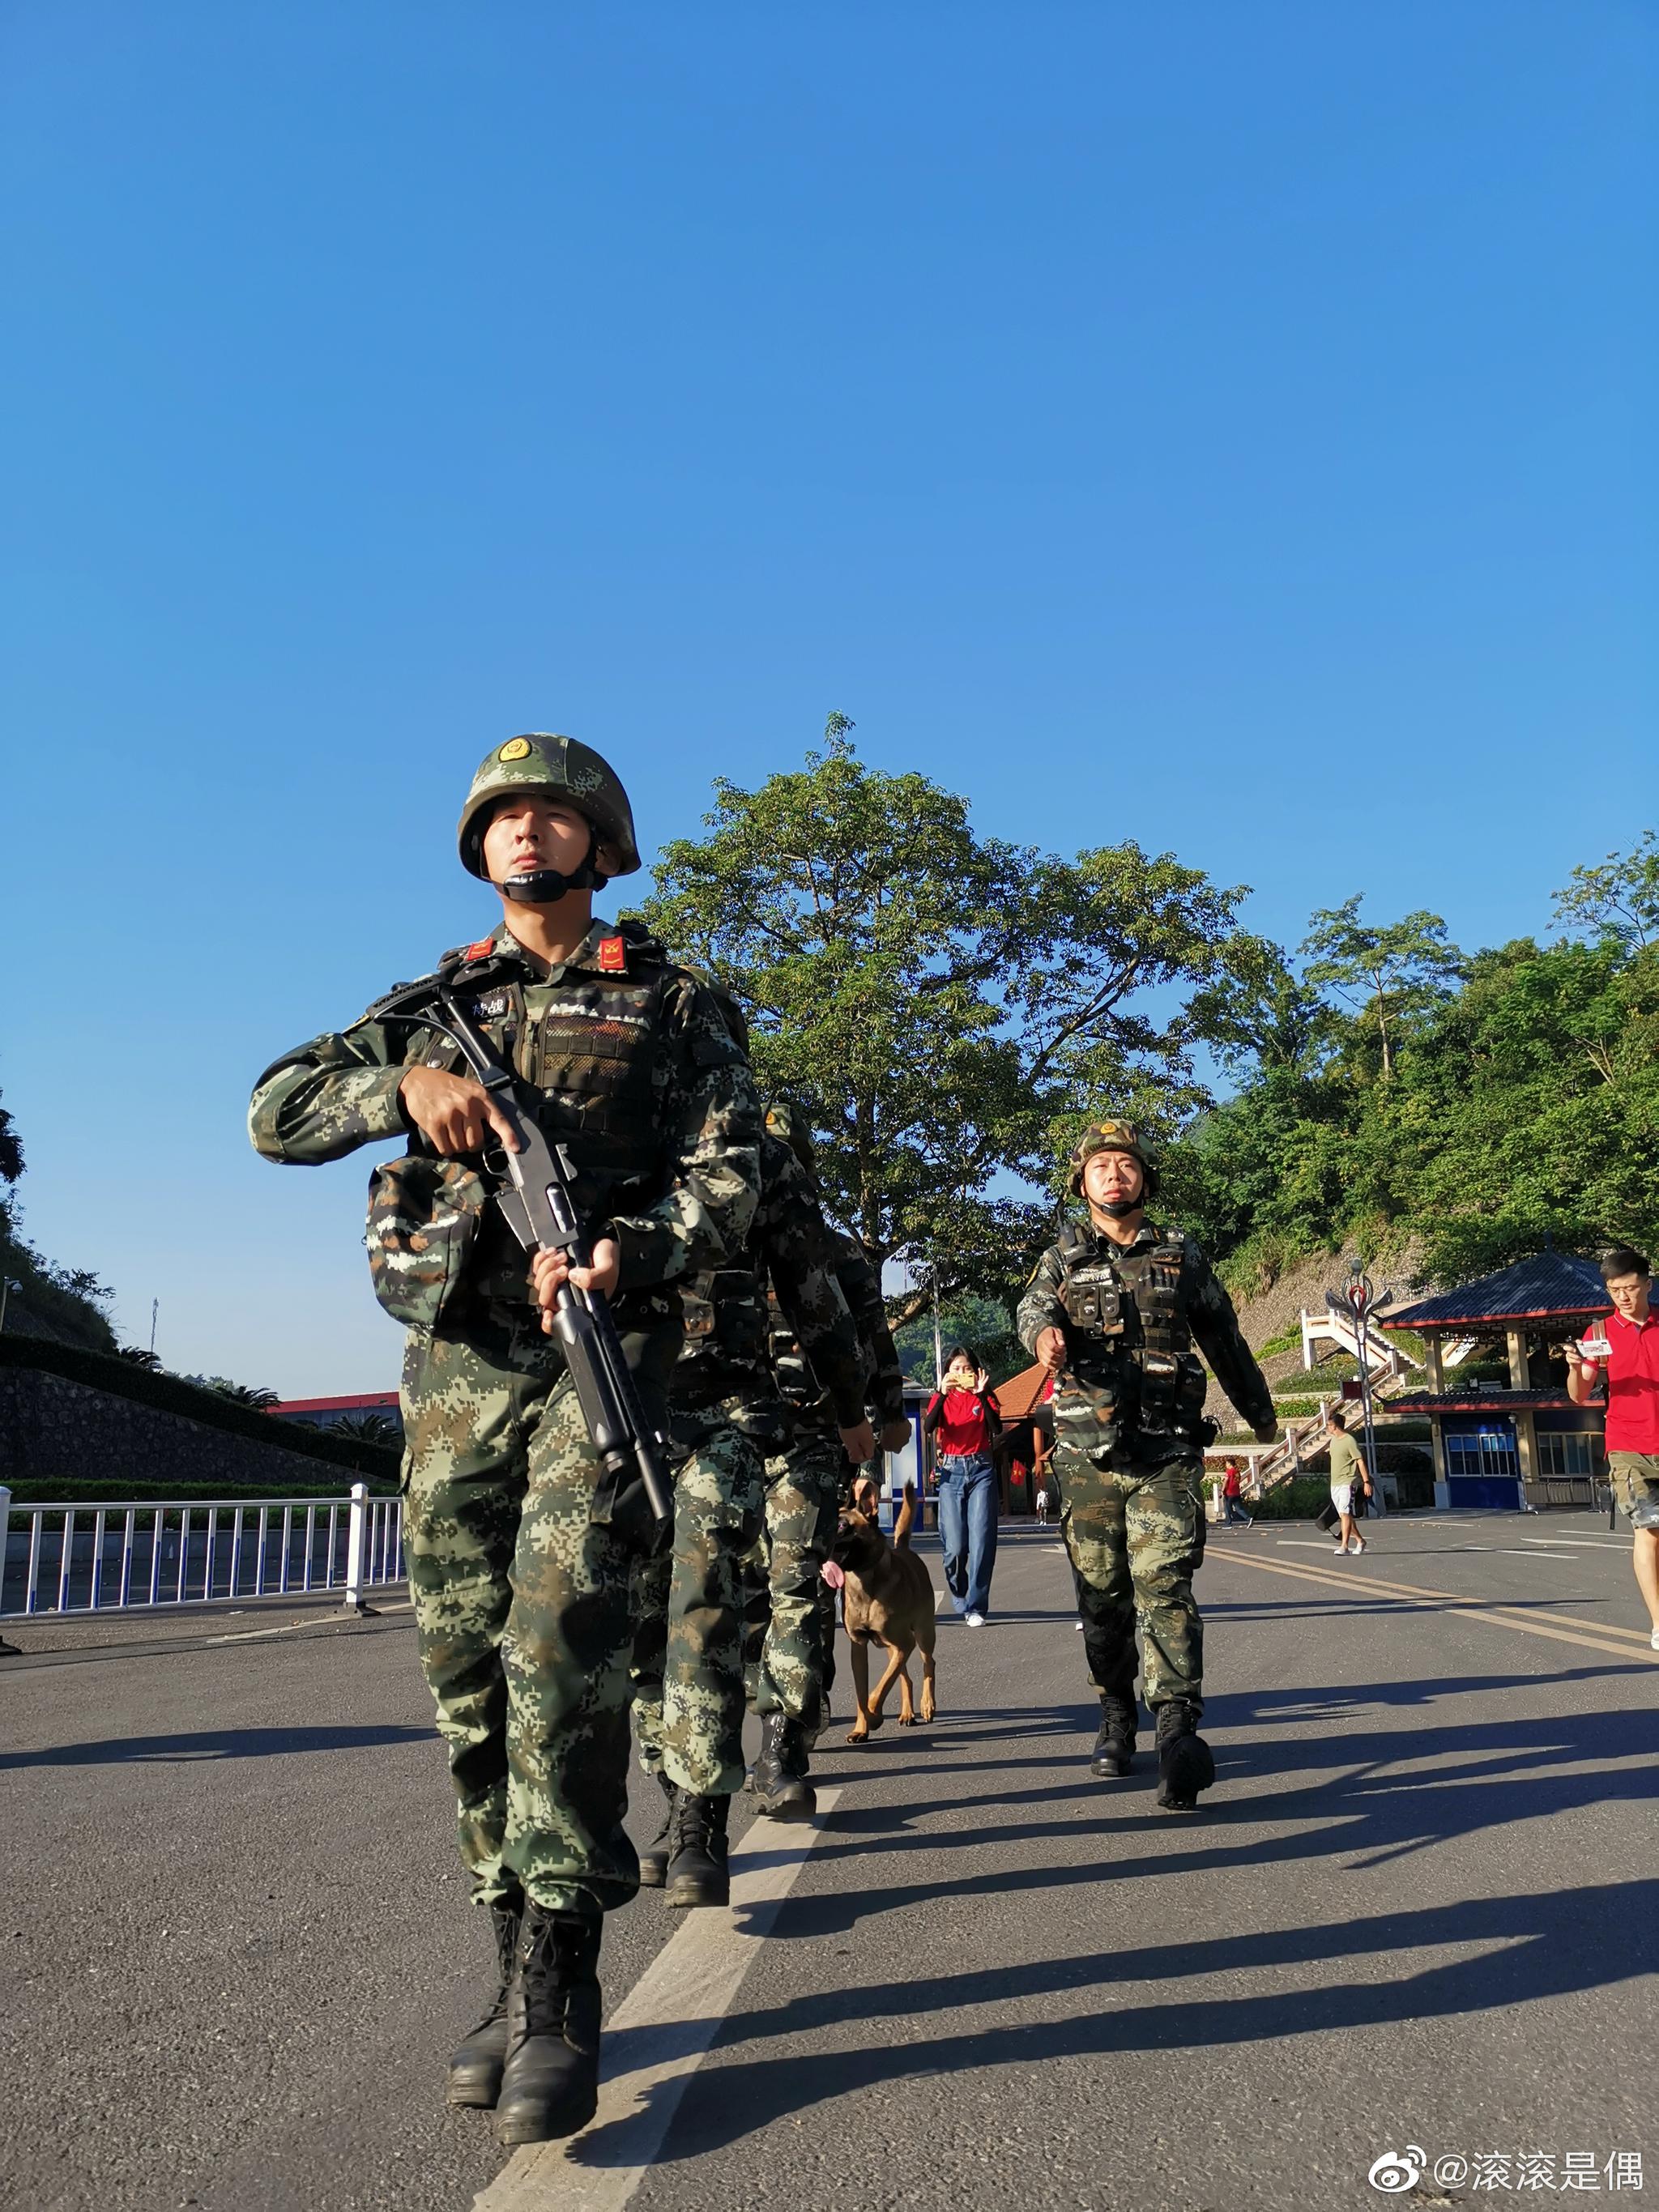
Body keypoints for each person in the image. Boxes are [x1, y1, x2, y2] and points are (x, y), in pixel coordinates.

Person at [249, 732, 762, 2145]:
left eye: (553, 814)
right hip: (457, 1374)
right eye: (504, 817)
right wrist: (398, 1091)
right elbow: (271, 1112)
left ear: (600, 840)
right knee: (465, 1666)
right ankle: (502, 1956)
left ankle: (561, 1981)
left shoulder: (673, 1004)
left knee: (562, 1653)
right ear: (480, 848)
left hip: (600, 1361)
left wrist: (629, 1249)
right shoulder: (429, 1007)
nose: (526, 832)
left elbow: (736, 1172)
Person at [629, 987, 874, 1894]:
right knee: (636, 1626)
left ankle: (710, 1807)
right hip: (615, 1409)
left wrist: (852, 1411)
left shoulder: (762, 1160)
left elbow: (819, 1292)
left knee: (718, 1600)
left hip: (733, 1413)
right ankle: (672, 1790)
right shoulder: (593, 1135)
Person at [1017, 1119, 1277, 1809]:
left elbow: (1225, 1336)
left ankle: (1176, 1730)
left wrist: (1262, 1414)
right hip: (1087, 1456)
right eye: (1101, 1164)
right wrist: (1044, 1335)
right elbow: (1033, 1309)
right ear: (1082, 1181)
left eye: (1125, 1163)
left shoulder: (1180, 1254)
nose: (1114, 1174)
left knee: (1163, 1583)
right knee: (1102, 1599)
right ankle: (1114, 1712)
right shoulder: (1063, 1256)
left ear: (1143, 1177)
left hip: (1166, 1450)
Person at [750, 1100, 911, 1802]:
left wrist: (879, 1438)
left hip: (811, 1434)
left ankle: (783, 1740)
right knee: (733, 1593)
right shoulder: (708, 1239)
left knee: (797, 1584)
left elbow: (874, 1341)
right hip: (714, 1433)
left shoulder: (839, 1250)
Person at [1565, 1246, 1659, 1651]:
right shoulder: (1598, 1335)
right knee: (1650, 1529)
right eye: (1614, 1290)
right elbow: (1579, 1394)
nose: (1623, 1296)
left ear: (1648, 1285)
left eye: (1631, 1288)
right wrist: (1575, 1366)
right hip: (1627, 1444)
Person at [923, 1348, 1003, 1625]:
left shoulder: (984, 1396)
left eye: (967, 1368)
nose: (961, 1374)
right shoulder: (942, 1397)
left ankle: (976, 1607)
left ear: (976, 1371)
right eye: (955, 1369)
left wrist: (981, 1394)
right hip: (951, 1471)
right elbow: (929, 1427)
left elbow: (997, 1429)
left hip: (981, 1469)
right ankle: (959, 1590)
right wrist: (941, 1392)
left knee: (982, 1540)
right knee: (955, 1546)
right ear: (947, 1372)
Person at [1325, 1406, 1371, 1554]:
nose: (1327, 1428)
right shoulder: (1333, 1441)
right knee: (1344, 1515)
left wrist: (1366, 1482)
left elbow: (1360, 1461)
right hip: (1335, 1483)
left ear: (1335, 1426)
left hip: (1348, 1482)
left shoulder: (1349, 1440)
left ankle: (1344, 1546)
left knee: (1345, 1513)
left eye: (1329, 1425)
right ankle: (1360, 1541)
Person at [1221, 1458, 1253, 1529]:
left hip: (1229, 1492)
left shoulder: (1229, 1471)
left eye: (1226, 1464)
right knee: (1238, 1508)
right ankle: (1248, 1518)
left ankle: (1228, 1524)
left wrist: (1222, 1490)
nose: (1226, 1465)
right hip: (1236, 1492)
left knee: (1227, 1508)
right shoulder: (1237, 1472)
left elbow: (1225, 1481)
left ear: (1229, 1464)